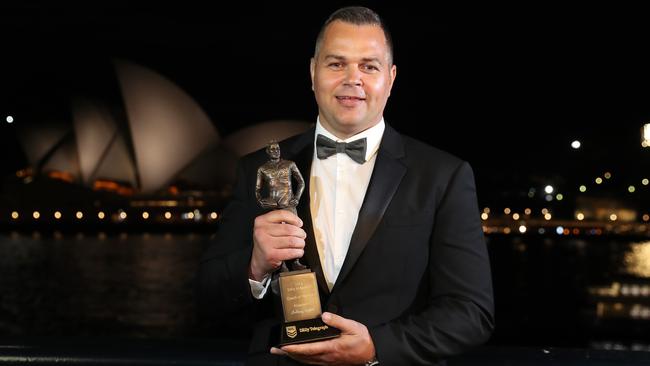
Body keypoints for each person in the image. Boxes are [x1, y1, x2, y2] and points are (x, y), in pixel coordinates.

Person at [199, 6, 494, 365]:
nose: (352, 78)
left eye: (369, 66)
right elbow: (208, 294)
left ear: (391, 78)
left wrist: (376, 348)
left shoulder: (444, 175)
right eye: (336, 64)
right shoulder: (258, 168)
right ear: (312, 72)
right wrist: (254, 266)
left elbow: (471, 313)